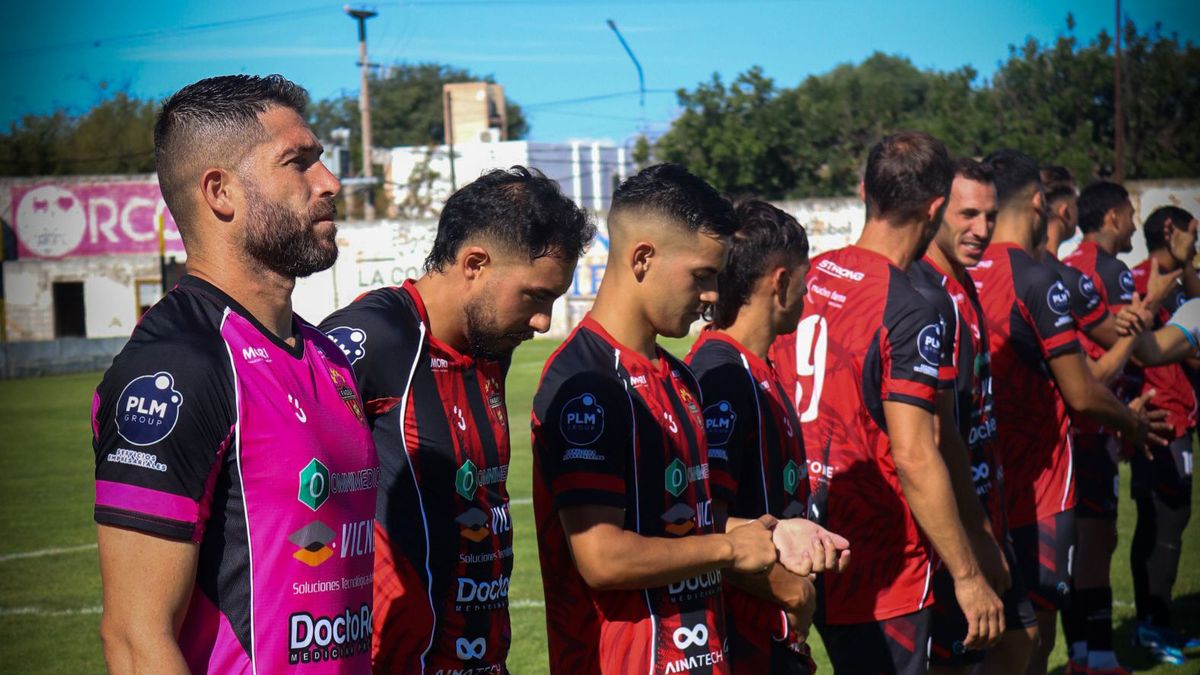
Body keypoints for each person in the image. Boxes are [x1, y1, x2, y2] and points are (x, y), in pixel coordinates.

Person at [92, 74, 379, 673]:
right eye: (298, 162)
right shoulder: (177, 368)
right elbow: (137, 639)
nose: (330, 182)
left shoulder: (327, 356)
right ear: (221, 192)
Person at [531, 164, 839, 675]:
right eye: (702, 275)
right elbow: (603, 558)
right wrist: (729, 547)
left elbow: (676, 521)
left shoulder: (680, 379)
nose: (714, 293)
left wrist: (771, 532)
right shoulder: (586, 382)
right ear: (643, 258)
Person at [318, 167, 595, 673]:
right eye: (536, 296)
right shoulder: (372, 338)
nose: (543, 322)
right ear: (475, 264)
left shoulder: (489, 346)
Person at [773, 132, 1004, 674]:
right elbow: (918, 454)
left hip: (799, 534)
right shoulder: (910, 306)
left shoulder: (811, 275)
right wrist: (969, 575)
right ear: (935, 207)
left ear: (864, 191)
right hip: (877, 559)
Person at [970, 150, 1162, 675]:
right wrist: (1133, 422)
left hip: (976, 482)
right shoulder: (1036, 279)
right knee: (1031, 635)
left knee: (983, 635)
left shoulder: (959, 274)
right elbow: (1081, 391)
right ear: (1039, 201)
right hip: (1036, 489)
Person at [686, 200, 846, 674]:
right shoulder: (723, 379)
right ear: (780, 282)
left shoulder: (753, 368)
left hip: (772, 634)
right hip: (744, 639)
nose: (808, 290)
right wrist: (788, 589)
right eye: (804, 277)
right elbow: (703, 522)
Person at [908, 159, 1041, 674]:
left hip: (986, 501)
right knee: (980, 651)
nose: (982, 230)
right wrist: (976, 536)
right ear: (936, 210)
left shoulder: (962, 284)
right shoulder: (926, 295)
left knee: (1019, 639)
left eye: (990, 216)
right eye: (967, 215)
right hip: (955, 517)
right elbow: (935, 436)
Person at [1127, 206, 1200, 665]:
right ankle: (1151, 627)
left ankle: (1159, 623)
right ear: (1172, 231)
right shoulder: (1142, 282)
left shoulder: (1179, 283)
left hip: (1177, 418)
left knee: (1171, 518)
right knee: (1162, 521)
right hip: (1158, 418)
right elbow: (1139, 348)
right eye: (1194, 233)